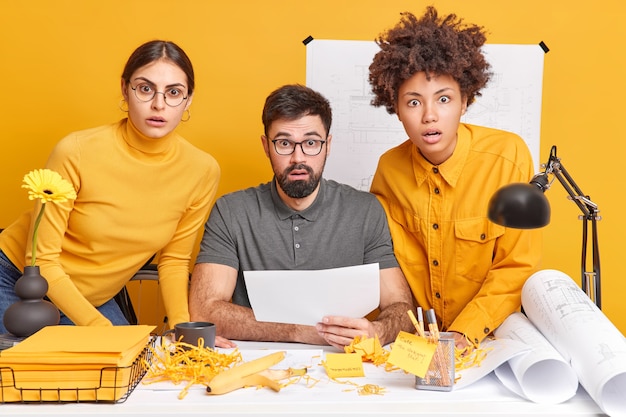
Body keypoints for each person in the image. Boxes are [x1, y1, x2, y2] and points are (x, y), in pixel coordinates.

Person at [0, 40, 220, 333]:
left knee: (129, 373)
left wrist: (184, 330)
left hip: (92, 298)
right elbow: (43, 261)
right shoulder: (76, 151)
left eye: (174, 93)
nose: (158, 104)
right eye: (145, 88)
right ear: (124, 89)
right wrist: (101, 331)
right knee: (32, 375)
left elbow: (175, 261)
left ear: (188, 100)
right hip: (19, 281)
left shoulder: (202, 170)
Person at [189, 84, 415, 350]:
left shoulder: (365, 211)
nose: (298, 158)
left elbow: (402, 308)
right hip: (250, 367)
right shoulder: (231, 211)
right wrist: (302, 331)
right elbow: (204, 312)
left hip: (343, 367)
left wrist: (377, 331)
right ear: (266, 146)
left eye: (310, 143)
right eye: (284, 143)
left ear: (327, 145)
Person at [368, 7, 542, 350]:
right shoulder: (389, 170)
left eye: (443, 99)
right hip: (416, 342)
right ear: (396, 108)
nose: (429, 115)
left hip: (489, 338)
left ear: (465, 100)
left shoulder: (508, 157)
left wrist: (463, 335)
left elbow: (516, 265)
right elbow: (388, 267)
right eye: (413, 102)